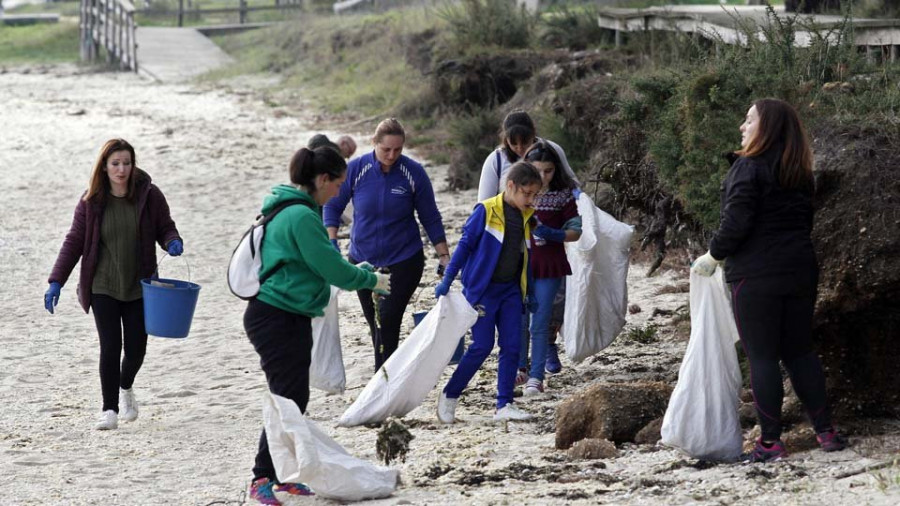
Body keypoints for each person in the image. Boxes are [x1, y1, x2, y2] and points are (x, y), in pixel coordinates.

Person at [691, 98, 846, 462]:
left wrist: (713, 255)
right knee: (800, 351)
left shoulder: (749, 168)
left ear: (768, 127)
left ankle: (770, 443)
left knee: (762, 356)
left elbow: (737, 222)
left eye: (749, 120)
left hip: (756, 274)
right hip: (800, 269)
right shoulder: (799, 170)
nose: (742, 127)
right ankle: (826, 433)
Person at [243, 146, 391, 505]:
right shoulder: (301, 216)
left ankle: (282, 475)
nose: (339, 192)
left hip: (284, 313)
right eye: (338, 184)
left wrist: (363, 273)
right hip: (275, 316)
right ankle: (261, 479)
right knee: (286, 399)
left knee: (294, 396)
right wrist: (370, 281)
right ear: (322, 180)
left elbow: (318, 265)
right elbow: (331, 267)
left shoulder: (292, 207)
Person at [44, 138, 183, 431]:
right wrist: (56, 281)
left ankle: (126, 385)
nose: (122, 169)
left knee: (136, 350)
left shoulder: (149, 195)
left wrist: (172, 241)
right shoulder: (91, 202)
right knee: (110, 346)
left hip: (139, 286)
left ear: (134, 165)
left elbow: (165, 226)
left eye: (127, 163)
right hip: (102, 285)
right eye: (115, 163)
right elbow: (74, 242)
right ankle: (109, 409)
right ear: (104, 167)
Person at [323, 118, 450, 371]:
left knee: (388, 319)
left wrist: (444, 256)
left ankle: (382, 383)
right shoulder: (356, 170)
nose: (392, 155)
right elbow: (332, 206)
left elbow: (430, 216)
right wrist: (332, 243)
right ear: (374, 143)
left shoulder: (413, 173)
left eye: (398, 150)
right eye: (386, 149)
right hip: (363, 262)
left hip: (404, 260)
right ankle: (383, 380)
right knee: (376, 325)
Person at [434, 162, 543, 423]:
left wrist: (531, 292)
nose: (530, 200)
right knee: (482, 346)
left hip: (511, 291)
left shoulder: (528, 217)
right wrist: (448, 279)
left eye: (534, 195)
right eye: (526, 194)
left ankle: (504, 404)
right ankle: (449, 395)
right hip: (482, 291)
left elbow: (527, 257)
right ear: (510, 186)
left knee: (512, 346)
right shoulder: (486, 210)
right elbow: (464, 246)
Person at [477, 110, 579, 375]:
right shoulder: (496, 161)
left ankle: (547, 348)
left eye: (526, 141)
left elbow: (569, 183)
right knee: (518, 311)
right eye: (514, 144)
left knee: (550, 304)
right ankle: (519, 363)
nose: (521, 148)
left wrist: (565, 224)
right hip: (513, 247)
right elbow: (483, 205)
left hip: (549, 254)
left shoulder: (550, 151)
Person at [518, 141, 582, 396]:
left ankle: (536, 376)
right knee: (519, 319)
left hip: (550, 265)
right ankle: (519, 368)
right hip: (520, 266)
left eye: (549, 171)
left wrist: (553, 233)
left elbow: (576, 231)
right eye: (537, 170)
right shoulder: (518, 192)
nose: (543, 177)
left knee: (541, 320)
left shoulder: (563, 195)